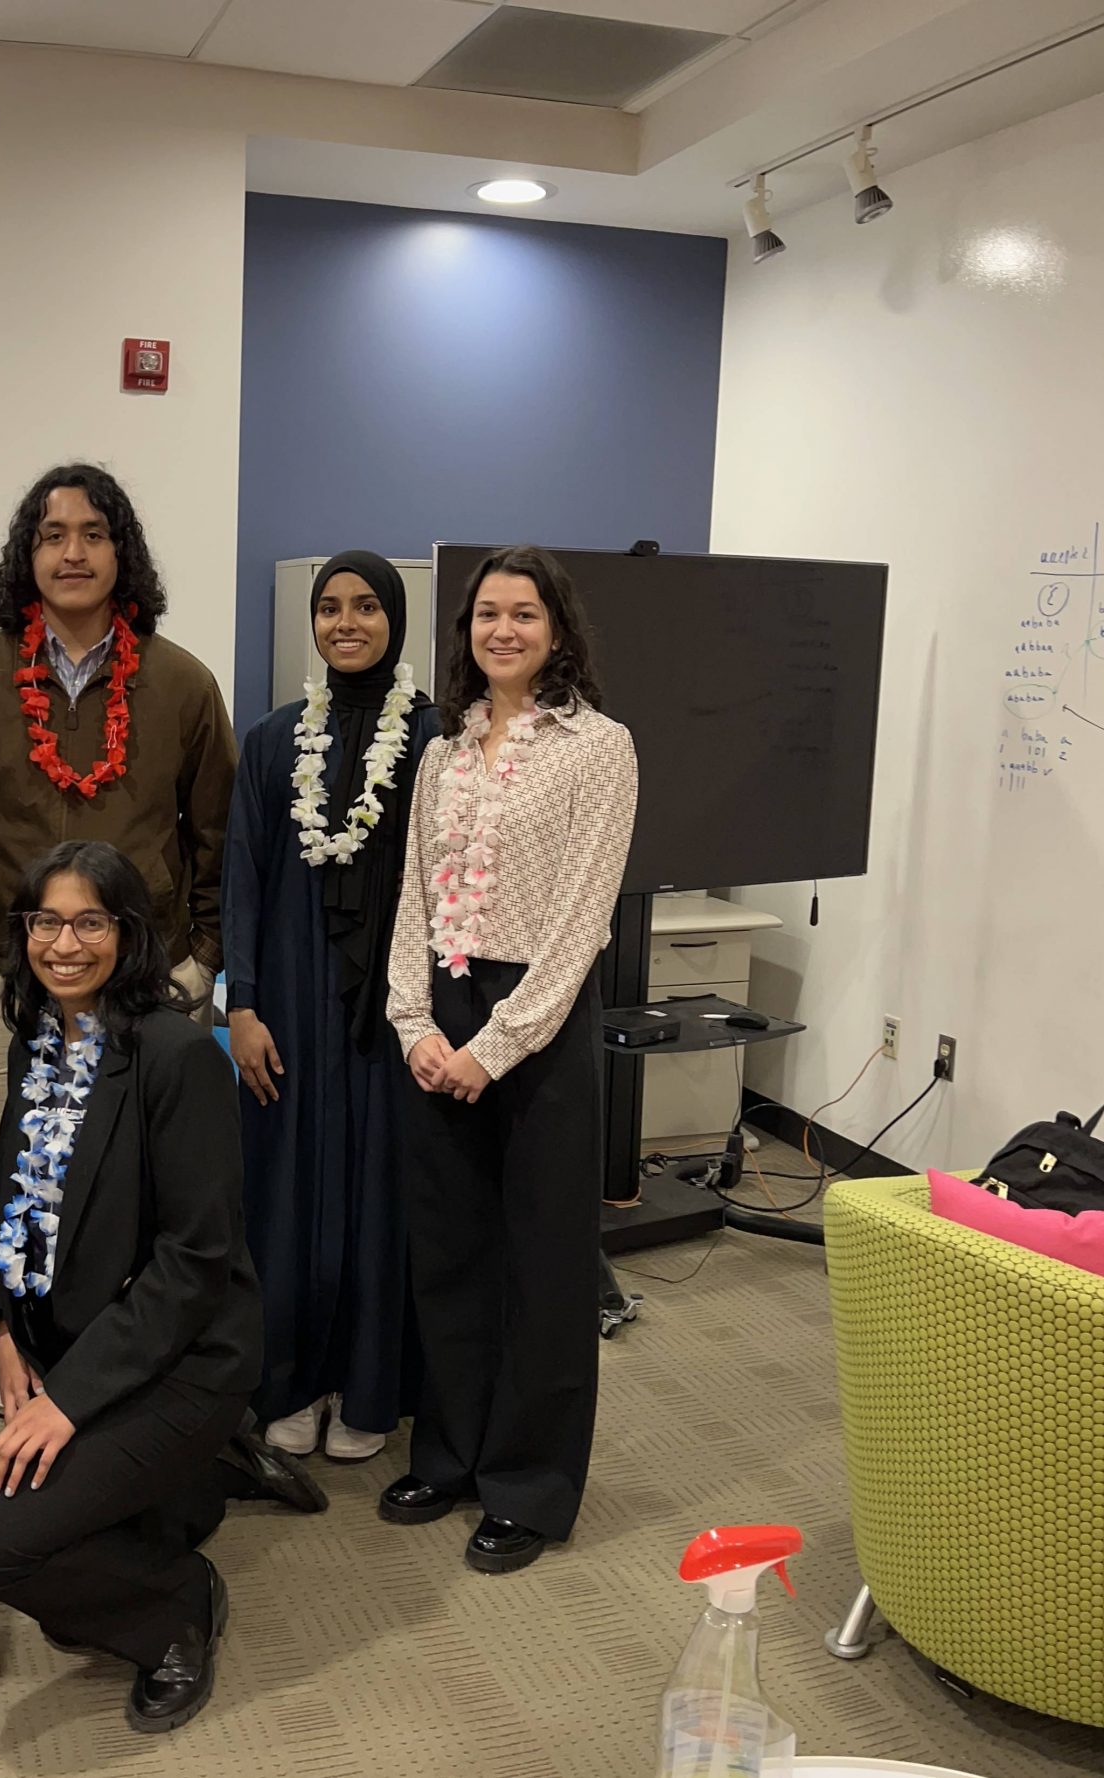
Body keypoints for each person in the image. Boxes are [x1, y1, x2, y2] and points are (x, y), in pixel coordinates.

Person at [0, 843, 261, 1736]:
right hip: (72, 1342)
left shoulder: (178, 1055)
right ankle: (190, 1490)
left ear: (130, 933)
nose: (65, 944)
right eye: (46, 921)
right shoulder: (38, 1043)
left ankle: (176, 1609)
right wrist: (3, 1337)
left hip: (184, 1360)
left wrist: (68, 1404)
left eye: (91, 922)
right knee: (58, 1518)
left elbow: (194, 1264)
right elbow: (14, 1216)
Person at [378, 544, 636, 1575]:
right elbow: (415, 893)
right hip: (443, 1001)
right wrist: (411, 1021)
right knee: (447, 1250)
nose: (502, 630)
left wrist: (494, 1045)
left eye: (523, 613)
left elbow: (582, 921)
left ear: (558, 630)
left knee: (540, 1260)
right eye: (486, 613)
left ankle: (527, 1482)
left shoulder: (600, 747)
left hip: (540, 1012)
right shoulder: (443, 746)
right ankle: (449, 1452)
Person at [0, 463, 233, 1151]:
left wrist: (202, 957)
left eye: (93, 534)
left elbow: (220, 837)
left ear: (121, 553)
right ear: (26, 556)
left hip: (146, 981)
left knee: (133, 1173)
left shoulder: (183, 682)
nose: (72, 553)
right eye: (53, 535)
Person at [224, 551, 439, 1462]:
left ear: (395, 616)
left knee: (381, 1189)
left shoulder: (438, 741)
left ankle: (367, 1388)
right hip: (291, 1004)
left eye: (364, 607)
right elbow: (241, 875)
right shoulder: (275, 741)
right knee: (287, 1189)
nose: (344, 622)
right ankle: (293, 1380)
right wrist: (241, 1006)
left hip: (396, 1007)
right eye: (328, 608)